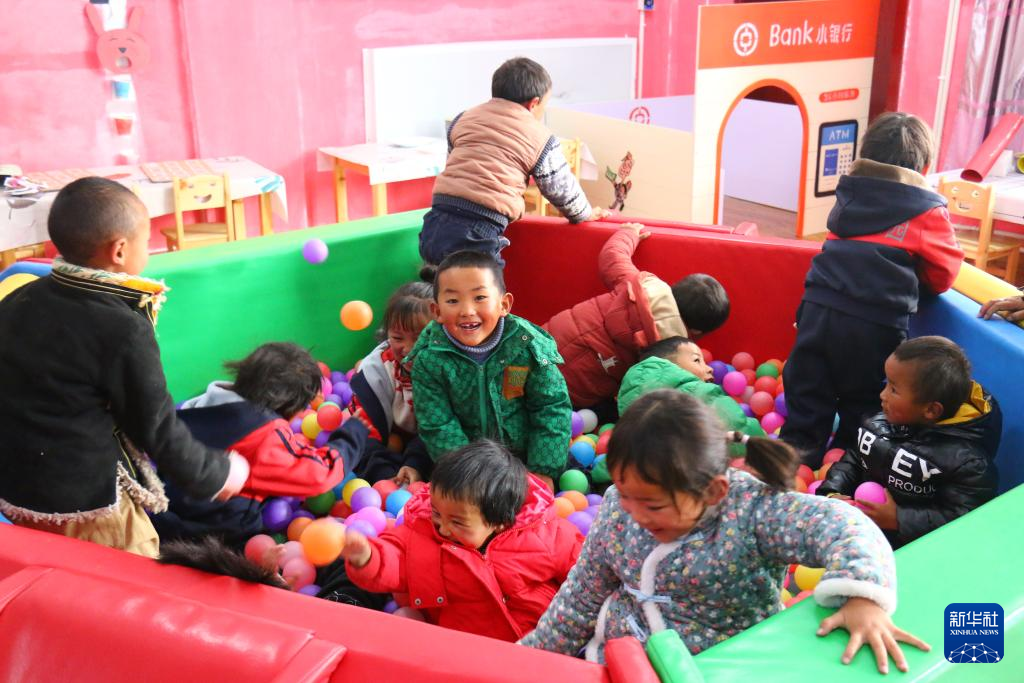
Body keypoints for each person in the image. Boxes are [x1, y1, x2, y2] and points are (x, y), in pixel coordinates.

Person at [521, 390, 931, 675]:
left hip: (718, 666)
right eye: (625, 494)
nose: (635, 514)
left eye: (654, 505)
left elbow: (846, 524)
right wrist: (530, 658)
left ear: (714, 492)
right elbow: (582, 595)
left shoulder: (753, 511)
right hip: (621, 658)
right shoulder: (617, 508)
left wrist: (863, 595)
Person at [0, 177, 247, 557]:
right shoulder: (122, 328)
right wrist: (214, 474)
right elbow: (154, 426)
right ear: (119, 250)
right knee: (132, 577)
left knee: (59, 572)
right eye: (145, 242)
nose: (147, 251)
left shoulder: (18, 300)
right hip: (83, 503)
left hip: (18, 489)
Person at [781, 112, 964, 466]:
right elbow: (944, 275)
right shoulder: (928, 211)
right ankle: (849, 462)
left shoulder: (849, 194)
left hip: (816, 307)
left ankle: (796, 457)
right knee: (865, 396)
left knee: (808, 383)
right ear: (925, 167)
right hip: (874, 320)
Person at [340, 440, 583, 641]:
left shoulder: (545, 535)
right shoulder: (424, 535)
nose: (443, 528)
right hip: (464, 644)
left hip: (539, 638)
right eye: (436, 512)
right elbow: (396, 555)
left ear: (500, 522)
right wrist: (368, 557)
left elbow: (583, 569)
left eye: (457, 522)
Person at [151, 341, 368, 547]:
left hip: (163, 519)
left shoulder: (196, 406)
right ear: (291, 405)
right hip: (217, 539)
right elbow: (318, 474)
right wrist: (354, 432)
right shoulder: (263, 435)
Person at [419, 57, 608, 268]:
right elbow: (561, 187)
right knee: (486, 285)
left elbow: (453, 162)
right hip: (480, 226)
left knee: (440, 281)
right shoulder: (539, 137)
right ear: (534, 104)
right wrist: (584, 213)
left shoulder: (463, 118)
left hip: (436, 218)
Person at [407, 250, 573, 489]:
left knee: (573, 479)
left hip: (525, 460)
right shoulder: (430, 361)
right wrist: (471, 478)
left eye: (480, 297)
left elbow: (550, 406)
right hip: (466, 467)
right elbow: (438, 425)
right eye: (453, 301)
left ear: (504, 304)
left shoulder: (526, 347)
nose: (467, 310)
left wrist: (542, 470)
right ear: (437, 311)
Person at [817, 336, 1000, 548]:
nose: (882, 395)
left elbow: (963, 518)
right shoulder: (880, 423)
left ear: (930, 410)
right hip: (861, 530)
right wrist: (833, 493)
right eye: (887, 383)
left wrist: (899, 519)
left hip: (912, 547)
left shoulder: (968, 463)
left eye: (893, 390)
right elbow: (855, 459)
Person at [544, 222, 730, 411]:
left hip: (541, 344)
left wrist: (629, 233)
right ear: (697, 331)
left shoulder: (639, 284)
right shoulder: (668, 353)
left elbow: (612, 256)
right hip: (566, 393)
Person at [346, 281, 434, 485]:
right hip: (388, 446)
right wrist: (386, 477)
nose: (409, 349)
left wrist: (415, 464)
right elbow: (363, 435)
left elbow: (444, 428)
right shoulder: (375, 372)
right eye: (397, 338)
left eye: (420, 338)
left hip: (427, 449)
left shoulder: (450, 368)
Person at [616, 336, 764, 439]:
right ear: (670, 367)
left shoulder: (629, 411)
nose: (710, 368)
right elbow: (740, 428)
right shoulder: (700, 394)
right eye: (697, 360)